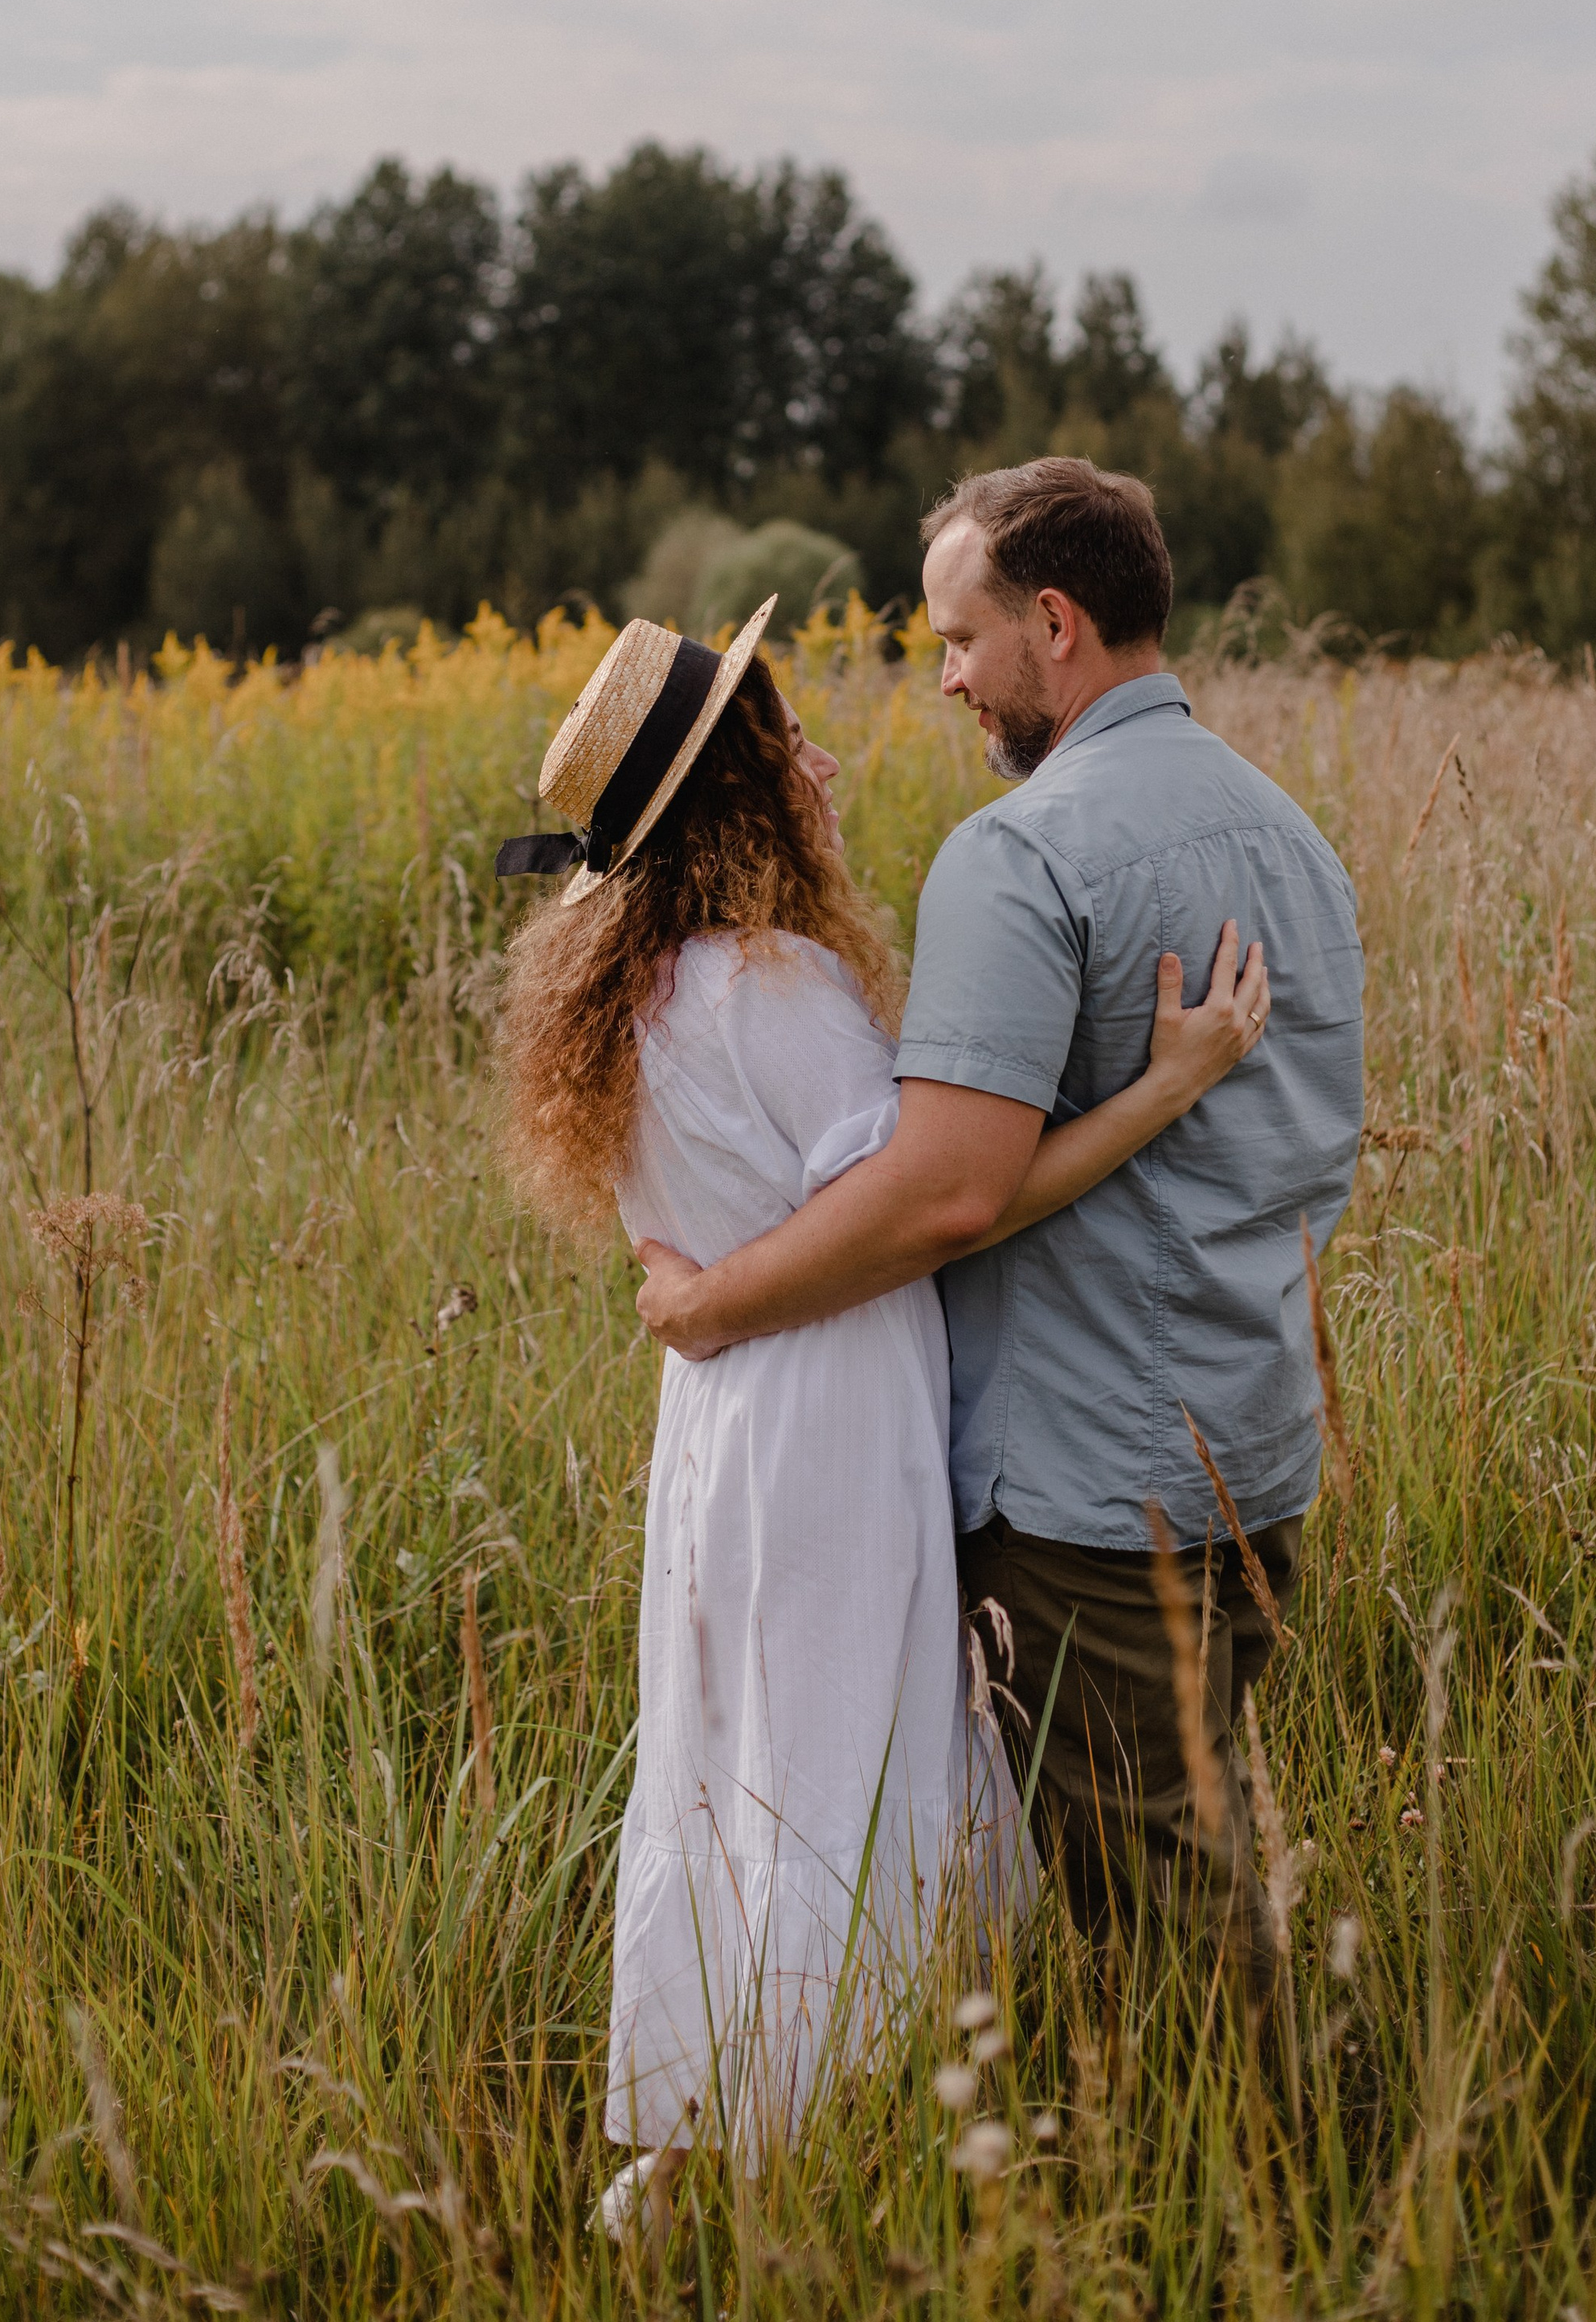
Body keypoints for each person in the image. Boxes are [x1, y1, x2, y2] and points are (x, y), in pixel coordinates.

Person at [493, 588, 1271, 2242]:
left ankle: (714, 2130)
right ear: (740, 791)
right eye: (786, 740)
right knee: (850, 1747)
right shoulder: (770, 981)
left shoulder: (628, 993)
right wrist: (1169, 1081)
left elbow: (667, 1240)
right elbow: (940, 1206)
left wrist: (694, 1295)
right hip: (829, 1407)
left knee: (744, 1747)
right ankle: (811, 2138)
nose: (823, 759)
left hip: (721, 1424)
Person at [635, 460, 1365, 2000]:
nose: (948, 678)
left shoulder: (1021, 851)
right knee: (1196, 1845)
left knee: (1177, 1906)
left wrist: (707, 1310)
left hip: (1087, 1486)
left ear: (1055, 621)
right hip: (1258, 1441)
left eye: (960, 640)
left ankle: (1313, 2201)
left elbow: (945, 1191)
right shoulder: (1292, 835)